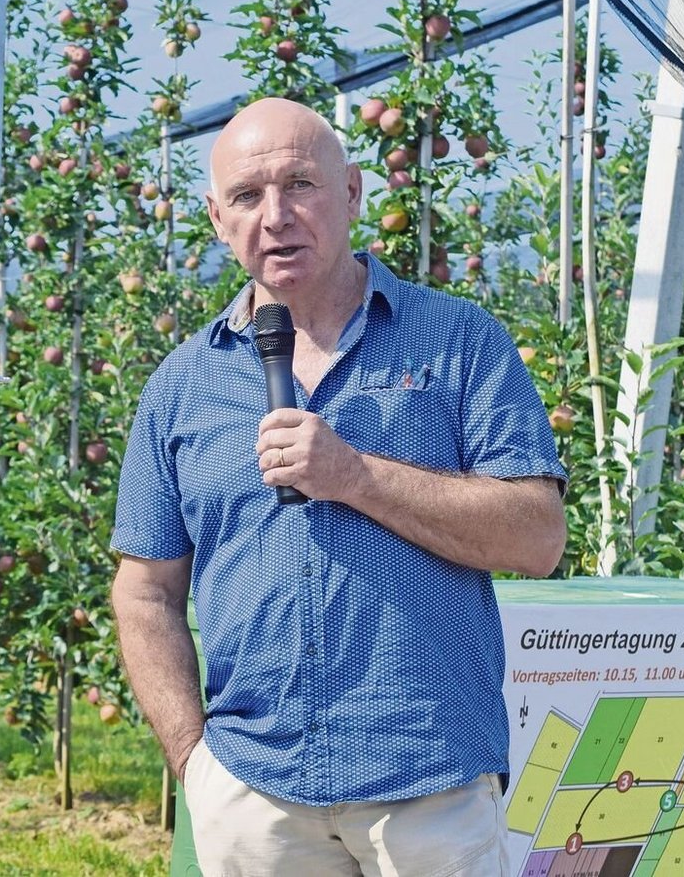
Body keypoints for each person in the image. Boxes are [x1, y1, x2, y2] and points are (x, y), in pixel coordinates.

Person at [110, 96, 567, 876]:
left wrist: (355, 476)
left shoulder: (459, 342)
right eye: (248, 197)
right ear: (217, 219)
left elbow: (537, 536)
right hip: (256, 790)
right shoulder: (181, 385)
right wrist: (196, 761)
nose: (276, 216)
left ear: (353, 192)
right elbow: (145, 591)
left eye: (300, 185)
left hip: (430, 782)